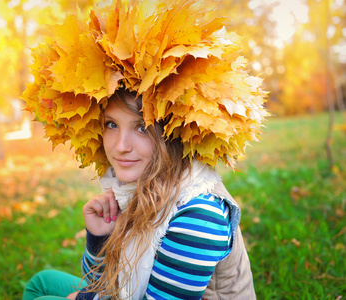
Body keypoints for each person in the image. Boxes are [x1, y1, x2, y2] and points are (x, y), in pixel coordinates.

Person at [21, 0, 267, 299]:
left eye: (141, 127)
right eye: (111, 124)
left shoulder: (199, 216)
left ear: (173, 133)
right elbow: (105, 282)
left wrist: (81, 299)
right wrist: (99, 239)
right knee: (42, 282)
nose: (121, 147)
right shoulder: (140, 184)